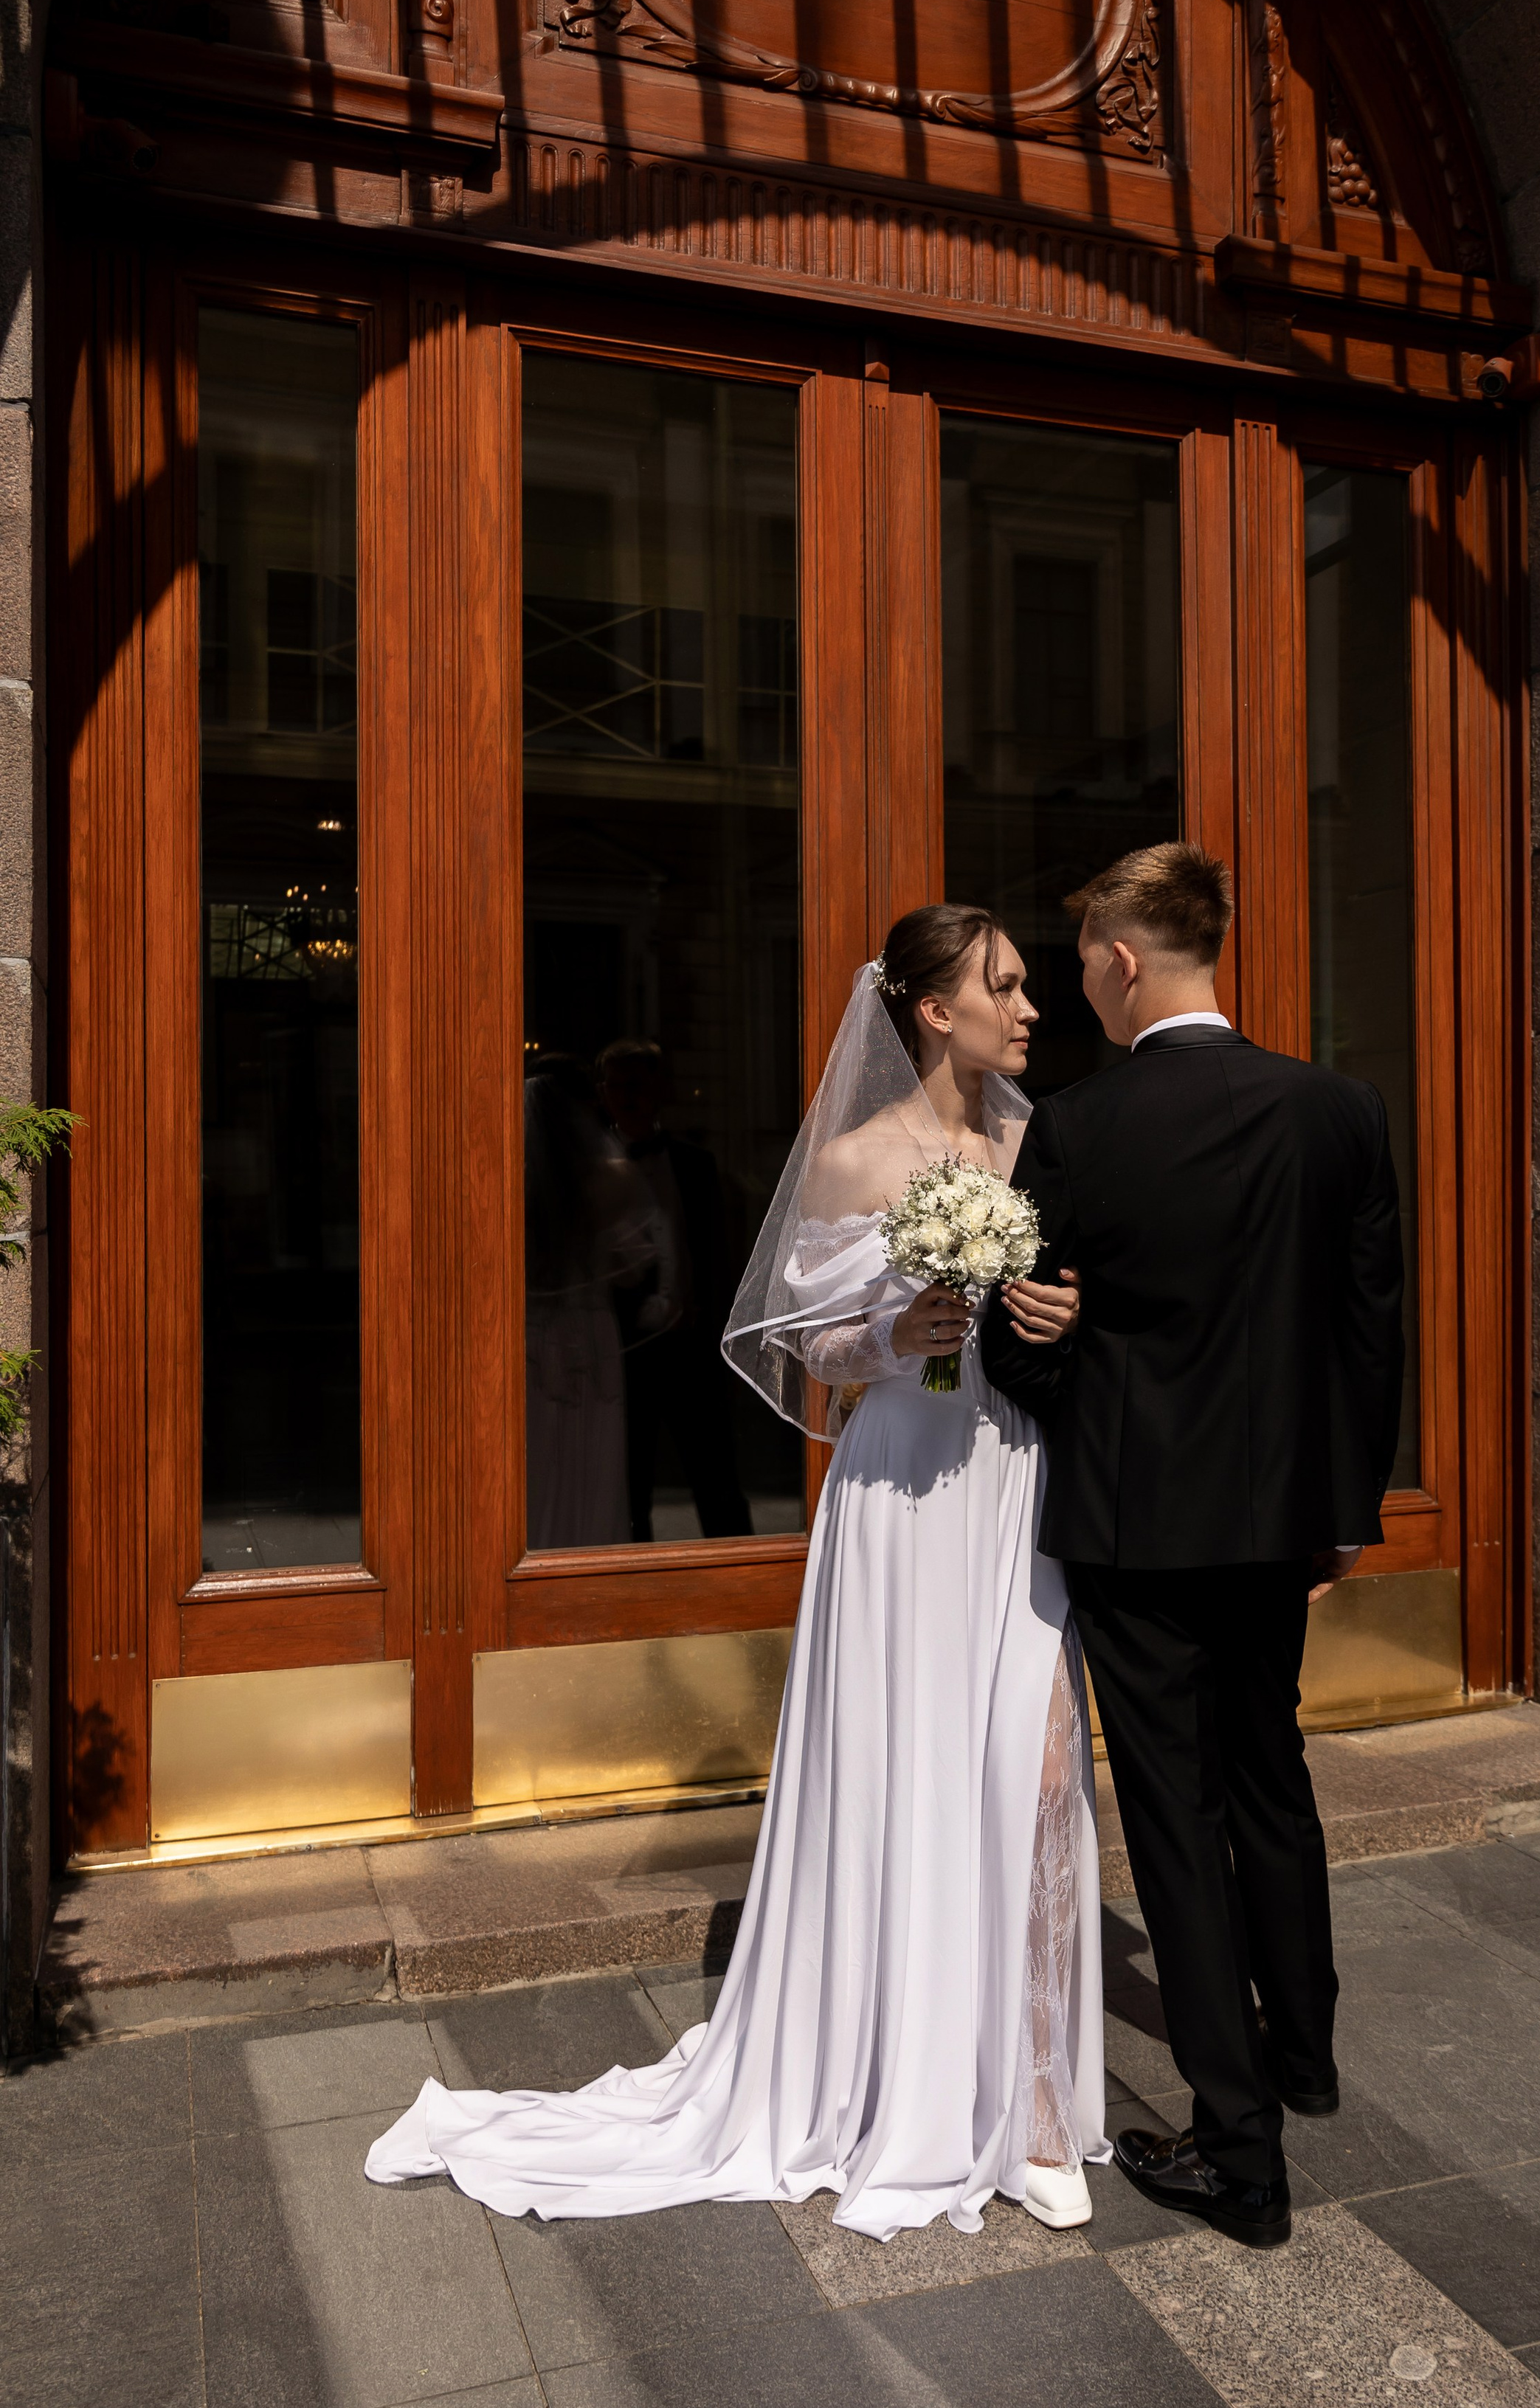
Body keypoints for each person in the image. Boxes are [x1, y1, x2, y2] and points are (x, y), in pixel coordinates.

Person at [366, 907, 1102, 2241]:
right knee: (904, 1770)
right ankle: (891, 2071)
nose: (1030, 1004)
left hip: (1015, 1471)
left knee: (1041, 1773)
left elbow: (1084, 1287)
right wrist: (895, 1323)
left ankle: (1040, 2098)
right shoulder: (854, 1155)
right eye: (1005, 984)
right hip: (903, 1489)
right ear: (934, 1009)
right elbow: (801, 1341)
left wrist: (1054, 1308)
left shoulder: (1038, 1137)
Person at [984, 840, 1404, 2251]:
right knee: (1270, 1777)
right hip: (1282, 1515)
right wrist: (1347, 1511)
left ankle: (1244, 2156)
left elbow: (1028, 1340)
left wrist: (1034, 1334)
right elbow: (1367, 1332)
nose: (1078, 988)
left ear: (1121, 958)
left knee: (1178, 1814)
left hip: (1135, 1525)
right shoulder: (1338, 1109)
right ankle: (1304, 2061)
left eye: (1083, 962)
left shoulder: (1082, 1129)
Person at [597, 1039, 754, 1543]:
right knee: (628, 1480)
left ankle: (740, 1577)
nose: (628, 1095)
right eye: (617, 1085)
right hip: (625, 1352)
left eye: (638, 1084)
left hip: (692, 1347)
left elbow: (716, 1252)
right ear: (603, 1093)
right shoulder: (590, 1168)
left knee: (716, 1476)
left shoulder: (696, 1164)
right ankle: (631, 1584)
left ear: (660, 1090)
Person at [523, 1057, 677, 1550]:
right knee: (591, 1458)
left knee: (538, 1458)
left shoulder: (512, 1178)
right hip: (589, 1330)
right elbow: (634, 1268)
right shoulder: (612, 1174)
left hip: (529, 1334)